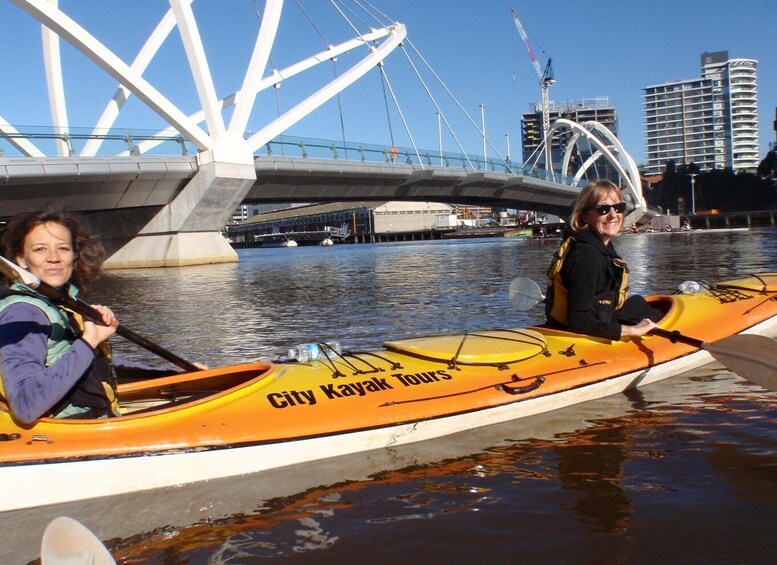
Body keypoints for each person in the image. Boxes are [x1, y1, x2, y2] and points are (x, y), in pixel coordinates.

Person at [0, 209, 171, 424]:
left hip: (97, 421)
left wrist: (172, 375)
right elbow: (26, 405)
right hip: (65, 435)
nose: (53, 258)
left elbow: (90, 366)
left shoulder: (60, 303)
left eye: (63, 248)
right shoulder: (24, 313)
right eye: (40, 249)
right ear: (21, 260)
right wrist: (88, 341)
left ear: (73, 256)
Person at [545, 180, 664, 341]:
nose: (613, 215)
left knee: (638, 303)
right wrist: (632, 330)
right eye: (603, 209)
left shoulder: (596, 246)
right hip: (578, 334)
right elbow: (578, 321)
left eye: (618, 207)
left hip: (601, 315)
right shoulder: (588, 256)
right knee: (655, 314)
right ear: (585, 215)